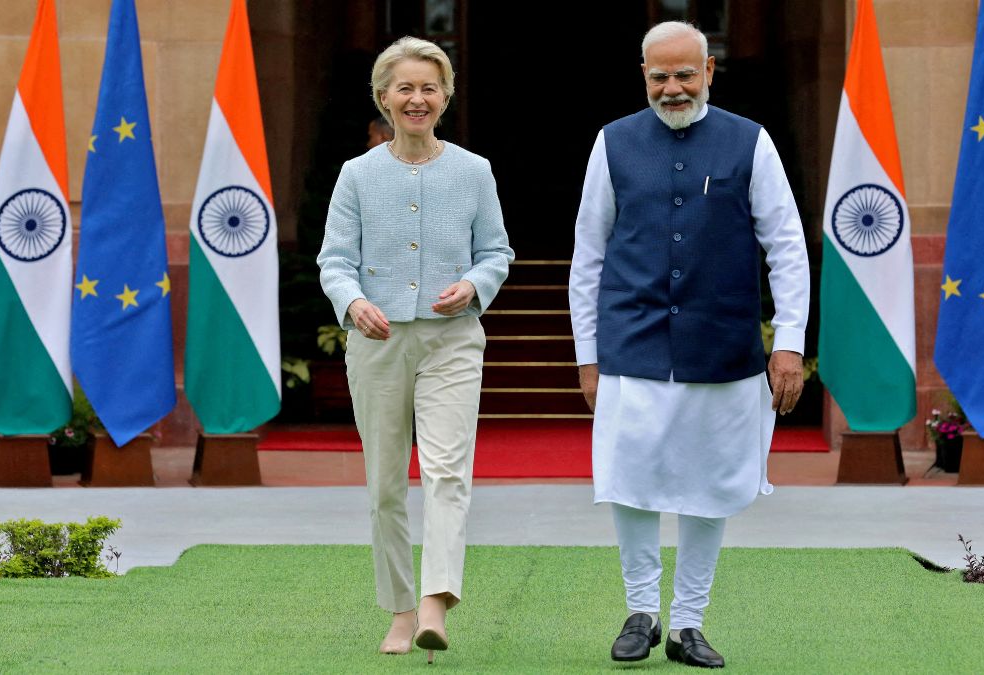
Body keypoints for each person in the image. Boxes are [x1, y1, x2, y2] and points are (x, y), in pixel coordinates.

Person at [568, 21, 809, 668]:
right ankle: (641, 611)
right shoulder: (612, 142)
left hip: (722, 345)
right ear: (643, 75)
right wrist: (587, 354)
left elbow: (787, 246)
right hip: (632, 340)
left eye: (684, 74)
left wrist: (788, 342)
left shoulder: (750, 141)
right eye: (659, 76)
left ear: (708, 70)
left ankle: (689, 623)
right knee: (629, 478)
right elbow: (589, 254)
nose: (672, 87)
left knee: (711, 483)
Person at [317, 36, 513, 662]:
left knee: (447, 471)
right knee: (384, 485)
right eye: (405, 87)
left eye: (430, 87)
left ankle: (435, 601)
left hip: (452, 340)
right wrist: (353, 303)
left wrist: (475, 285)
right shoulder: (356, 174)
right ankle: (401, 610)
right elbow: (334, 260)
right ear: (383, 97)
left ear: (446, 97)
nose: (417, 99)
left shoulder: (474, 171)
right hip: (377, 344)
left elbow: (497, 252)